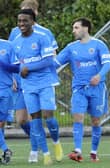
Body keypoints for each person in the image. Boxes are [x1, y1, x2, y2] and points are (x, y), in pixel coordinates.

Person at [9, 0, 63, 163]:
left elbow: (50, 59)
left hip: (44, 81)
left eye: (27, 14)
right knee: (24, 120)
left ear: (35, 15)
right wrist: (14, 76)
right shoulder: (15, 35)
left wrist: (29, 67)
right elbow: (14, 61)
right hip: (24, 83)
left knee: (47, 116)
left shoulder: (44, 34)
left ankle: (51, 144)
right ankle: (42, 150)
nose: (22, 22)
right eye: (20, 18)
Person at [54, 17, 110, 162]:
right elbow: (55, 64)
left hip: (97, 89)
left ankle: (93, 151)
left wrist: (99, 75)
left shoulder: (99, 45)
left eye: (76, 27)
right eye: (73, 28)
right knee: (78, 116)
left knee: (96, 121)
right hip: (79, 89)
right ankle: (78, 150)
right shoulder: (71, 47)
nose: (73, 31)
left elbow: (108, 63)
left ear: (85, 28)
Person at [0, 39, 18, 164]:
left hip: (6, 90)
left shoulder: (8, 46)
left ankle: (5, 150)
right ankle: (6, 150)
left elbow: (17, 67)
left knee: (1, 124)